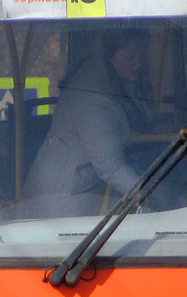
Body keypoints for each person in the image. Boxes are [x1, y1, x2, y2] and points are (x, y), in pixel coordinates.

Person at [22, 29, 158, 217]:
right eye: (130, 57)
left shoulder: (114, 80)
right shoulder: (93, 101)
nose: (138, 63)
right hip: (63, 203)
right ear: (108, 55)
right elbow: (110, 166)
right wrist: (152, 197)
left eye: (142, 56)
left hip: (76, 188)